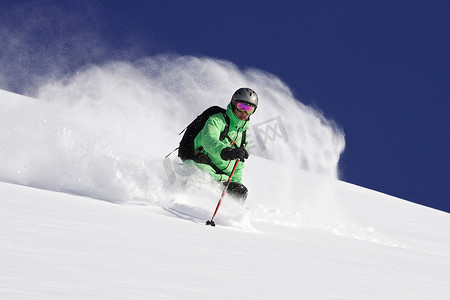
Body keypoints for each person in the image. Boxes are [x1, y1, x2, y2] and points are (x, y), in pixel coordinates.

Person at [188, 87, 258, 201]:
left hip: (221, 180)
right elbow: (208, 139)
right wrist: (226, 151)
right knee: (199, 192)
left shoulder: (243, 135)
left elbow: (237, 167)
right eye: (242, 107)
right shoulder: (217, 120)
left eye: (249, 109)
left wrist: (237, 186)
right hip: (200, 168)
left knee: (240, 191)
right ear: (234, 104)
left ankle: (229, 216)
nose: (245, 112)